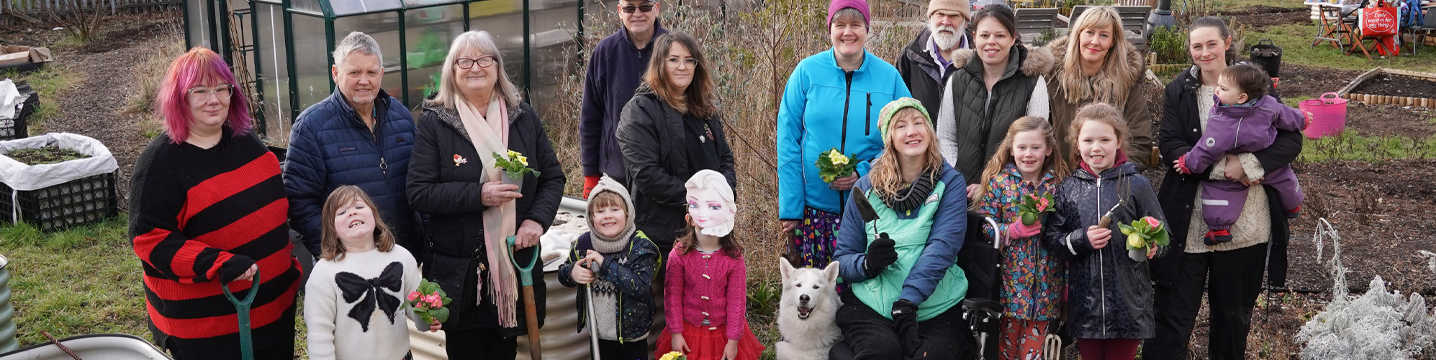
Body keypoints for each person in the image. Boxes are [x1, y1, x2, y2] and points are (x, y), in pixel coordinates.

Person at [1146, 16, 1305, 360]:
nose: (1204, 53)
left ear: (1227, 43)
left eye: (1211, 44)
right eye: (1197, 46)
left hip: (1245, 224)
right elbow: (1171, 144)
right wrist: (1219, 167)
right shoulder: (1178, 89)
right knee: (1172, 319)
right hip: (1190, 223)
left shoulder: (1254, 83)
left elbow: (1291, 140)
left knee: (1232, 321)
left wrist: (1249, 166)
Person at [129, 47, 301, 360]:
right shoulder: (160, 163)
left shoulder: (244, 139)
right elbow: (150, 240)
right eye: (200, 91)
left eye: (222, 89)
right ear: (180, 98)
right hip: (212, 331)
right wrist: (216, 262)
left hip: (274, 311)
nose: (214, 99)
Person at [407, 31, 565, 360]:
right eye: (465, 60)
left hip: (513, 263)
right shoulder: (435, 122)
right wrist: (479, 194)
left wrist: (536, 222)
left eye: (484, 59)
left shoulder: (523, 117)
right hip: (459, 273)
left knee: (504, 351)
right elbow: (419, 192)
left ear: (497, 67)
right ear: (452, 70)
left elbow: (552, 177)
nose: (475, 67)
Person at [833, 98, 975, 360]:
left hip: (936, 306)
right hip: (873, 306)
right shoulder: (864, 188)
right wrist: (867, 264)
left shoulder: (950, 182)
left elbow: (943, 247)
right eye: (901, 126)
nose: (911, 131)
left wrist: (908, 302)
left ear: (929, 132)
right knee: (882, 352)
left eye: (919, 123)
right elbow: (842, 258)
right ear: (890, 138)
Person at [777, 0, 913, 268]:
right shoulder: (806, 72)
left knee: (860, 292)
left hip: (870, 207)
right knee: (816, 294)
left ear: (866, 29)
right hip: (814, 211)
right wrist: (791, 208)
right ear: (830, 29)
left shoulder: (889, 78)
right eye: (840, 25)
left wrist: (863, 173)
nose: (847, 32)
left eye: (856, 24)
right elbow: (788, 140)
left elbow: (907, 140)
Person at [285, 31, 424, 266]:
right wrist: (335, 254)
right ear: (336, 73)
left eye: (371, 72)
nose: (364, 80)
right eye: (354, 72)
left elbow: (421, 179)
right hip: (350, 263)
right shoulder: (311, 127)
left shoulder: (400, 115)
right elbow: (300, 202)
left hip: (408, 257)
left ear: (381, 74)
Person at [1042, 103, 1164, 360]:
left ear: (1118, 141)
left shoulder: (1137, 185)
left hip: (1128, 304)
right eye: (1088, 140)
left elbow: (1163, 234)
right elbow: (1052, 240)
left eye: (1104, 139)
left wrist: (1154, 246)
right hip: (1086, 304)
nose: (1096, 147)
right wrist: (1081, 239)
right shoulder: (1068, 189)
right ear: (1077, 143)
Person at [617, 31, 736, 254]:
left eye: (689, 60)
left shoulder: (703, 109)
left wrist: (722, 196)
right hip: (662, 236)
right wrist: (699, 202)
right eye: (673, 60)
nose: (682, 66)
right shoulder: (640, 111)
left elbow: (725, 159)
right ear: (659, 65)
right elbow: (647, 175)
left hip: (712, 229)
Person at [968, 116, 1069, 360]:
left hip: (1046, 292)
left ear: (1048, 150)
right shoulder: (999, 183)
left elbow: (1066, 235)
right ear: (1011, 149)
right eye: (1022, 147)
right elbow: (984, 227)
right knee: (1005, 352)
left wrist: (1067, 281)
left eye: (1035, 147)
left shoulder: (1058, 186)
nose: (1028, 154)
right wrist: (1010, 231)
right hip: (1008, 290)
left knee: (1033, 354)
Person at [1173, 64, 1306, 245]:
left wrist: (1188, 163)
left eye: (1223, 88)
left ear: (1242, 97)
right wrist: (1302, 119)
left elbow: (1206, 149)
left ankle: (1219, 228)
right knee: (1283, 175)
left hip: (1234, 161)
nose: (1216, 90)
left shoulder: (1223, 124)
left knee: (1222, 190)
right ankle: (1293, 205)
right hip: (1266, 153)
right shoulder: (1267, 104)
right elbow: (1285, 115)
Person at [303, 186, 441, 360]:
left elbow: (413, 304)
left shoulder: (401, 256)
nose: (352, 213)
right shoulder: (324, 273)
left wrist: (429, 316)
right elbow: (319, 335)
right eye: (342, 212)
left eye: (359, 207)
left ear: (375, 216)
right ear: (332, 230)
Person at [936, 4, 1053, 190]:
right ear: (974, 38)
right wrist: (957, 179)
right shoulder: (957, 80)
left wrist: (990, 186)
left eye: (1000, 35)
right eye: (984, 35)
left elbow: (1034, 143)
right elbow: (946, 137)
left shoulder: (1032, 83)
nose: (991, 42)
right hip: (960, 191)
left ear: (1013, 38)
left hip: (1011, 194)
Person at [653, 170, 765, 360]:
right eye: (697, 206)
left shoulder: (734, 258)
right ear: (689, 214)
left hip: (724, 335)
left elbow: (737, 302)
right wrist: (675, 333)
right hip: (688, 333)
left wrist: (733, 341)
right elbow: (672, 298)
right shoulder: (678, 255)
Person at [557, 176, 661, 359]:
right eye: (600, 211)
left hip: (632, 335)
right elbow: (563, 273)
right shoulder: (584, 244)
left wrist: (605, 265)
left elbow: (639, 285)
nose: (608, 215)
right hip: (599, 335)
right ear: (590, 217)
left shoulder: (640, 245)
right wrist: (572, 272)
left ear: (627, 213)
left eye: (615, 209)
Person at [1044, 6, 1152, 170]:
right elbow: (1039, 133)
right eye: (1089, 32)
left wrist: (1111, 179)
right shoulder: (1051, 77)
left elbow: (1140, 141)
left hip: (1109, 181)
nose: (1095, 41)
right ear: (1078, 34)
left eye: (1103, 35)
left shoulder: (1126, 82)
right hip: (1059, 179)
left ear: (1112, 42)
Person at [581, 0, 668, 196]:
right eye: (629, 8)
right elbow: (590, 117)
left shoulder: (673, 49)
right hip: (616, 174)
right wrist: (590, 174)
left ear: (657, 8)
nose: (637, 13)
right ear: (620, 11)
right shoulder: (604, 52)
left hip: (664, 174)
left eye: (645, 6)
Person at [896, 0, 974, 115]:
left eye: (953, 16)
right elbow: (898, 107)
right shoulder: (910, 56)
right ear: (931, 18)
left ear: (965, 22)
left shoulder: (980, 58)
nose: (946, 22)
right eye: (940, 14)